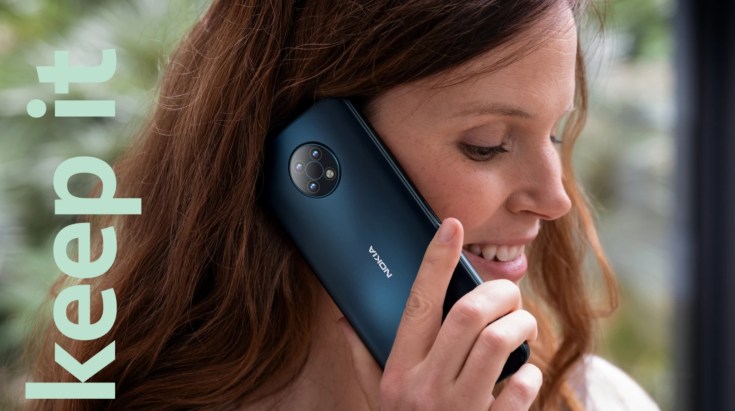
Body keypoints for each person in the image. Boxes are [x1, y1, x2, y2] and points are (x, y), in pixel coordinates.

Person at [26, 0, 661, 410]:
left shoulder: (594, 398)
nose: (555, 199)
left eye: (555, 135)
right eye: (486, 144)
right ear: (317, 151)